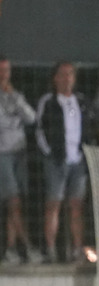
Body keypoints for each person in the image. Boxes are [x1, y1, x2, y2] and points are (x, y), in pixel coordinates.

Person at [36, 61, 95, 264]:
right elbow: (39, 129)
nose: (67, 78)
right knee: (53, 204)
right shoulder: (48, 101)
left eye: (70, 74)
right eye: (63, 74)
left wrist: (85, 152)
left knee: (76, 205)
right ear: (55, 78)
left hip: (77, 160)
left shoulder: (81, 101)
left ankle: (77, 249)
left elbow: (89, 126)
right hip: (57, 160)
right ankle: (51, 249)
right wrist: (50, 152)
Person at [0, 56, 43, 265]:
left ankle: (11, 250)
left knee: (15, 205)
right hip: (2, 155)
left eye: (6, 70)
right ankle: (28, 246)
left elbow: (32, 118)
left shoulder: (16, 95)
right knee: (13, 201)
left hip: (20, 153)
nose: (3, 75)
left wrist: (16, 101)